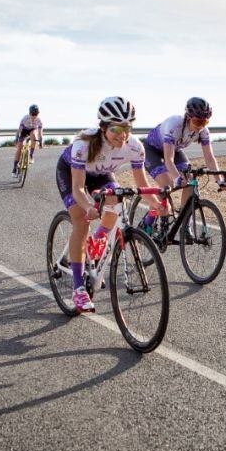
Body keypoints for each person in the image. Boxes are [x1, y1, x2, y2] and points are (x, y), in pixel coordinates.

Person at [56, 96, 161, 313]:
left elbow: (142, 183)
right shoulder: (83, 145)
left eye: (126, 128)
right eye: (115, 128)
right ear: (103, 127)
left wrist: (156, 204)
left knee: (116, 204)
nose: (122, 135)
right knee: (81, 221)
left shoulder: (134, 147)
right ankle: (78, 288)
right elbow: (78, 188)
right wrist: (88, 207)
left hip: (102, 175)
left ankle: (93, 249)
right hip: (72, 175)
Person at [141, 97, 226, 225]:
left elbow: (209, 158)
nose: (200, 127)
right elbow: (168, 159)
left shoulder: (203, 132)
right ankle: (148, 221)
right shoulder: (174, 125)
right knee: (167, 184)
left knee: (191, 179)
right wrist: (177, 178)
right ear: (188, 117)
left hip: (174, 150)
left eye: (204, 123)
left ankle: (185, 220)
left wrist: (219, 180)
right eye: (197, 122)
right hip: (152, 150)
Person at [12, 104, 44, 177]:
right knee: (20, 147)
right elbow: (20, 129)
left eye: (36, 114)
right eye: (32, 114)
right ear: (29, 113)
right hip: (24, 131)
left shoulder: (39, 120)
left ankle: (31, 155)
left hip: (32, 131)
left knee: (34, 134)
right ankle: (14, 168)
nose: (34, 116)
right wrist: (17, 137)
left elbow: (40, 133)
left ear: (38, 114)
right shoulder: (25, 118)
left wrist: (41, 141)